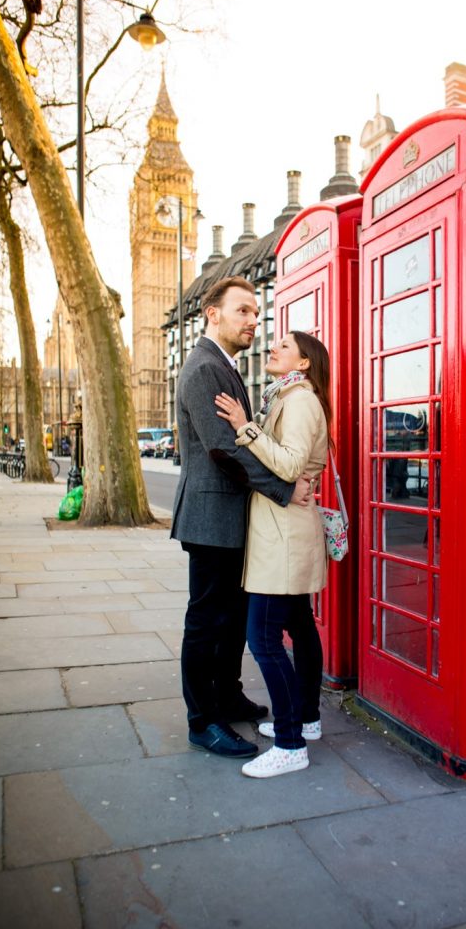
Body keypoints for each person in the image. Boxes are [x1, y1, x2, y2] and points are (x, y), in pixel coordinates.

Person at [171, 277, 311, 761]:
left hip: (231, 518)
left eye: (255, 311)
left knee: (231, 617)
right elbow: (223, 449)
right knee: (207, 621)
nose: (254, 320)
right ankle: (202, 720)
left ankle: (227, 697)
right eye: (243, 311)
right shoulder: (204, 369)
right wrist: (283, 489)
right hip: (210, 517)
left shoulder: (224, 367)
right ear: (213, 314)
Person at [215, 330, 330, 779]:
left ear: (303, 363)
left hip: (283, 538)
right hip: (286, 531)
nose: (273, 348)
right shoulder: (287, 396)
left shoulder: (299, 401)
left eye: (284, 345)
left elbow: (289, 465)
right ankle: (307, 719)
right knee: (300, 626)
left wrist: (244, 426)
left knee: (263, 639)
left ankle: (289, 744)